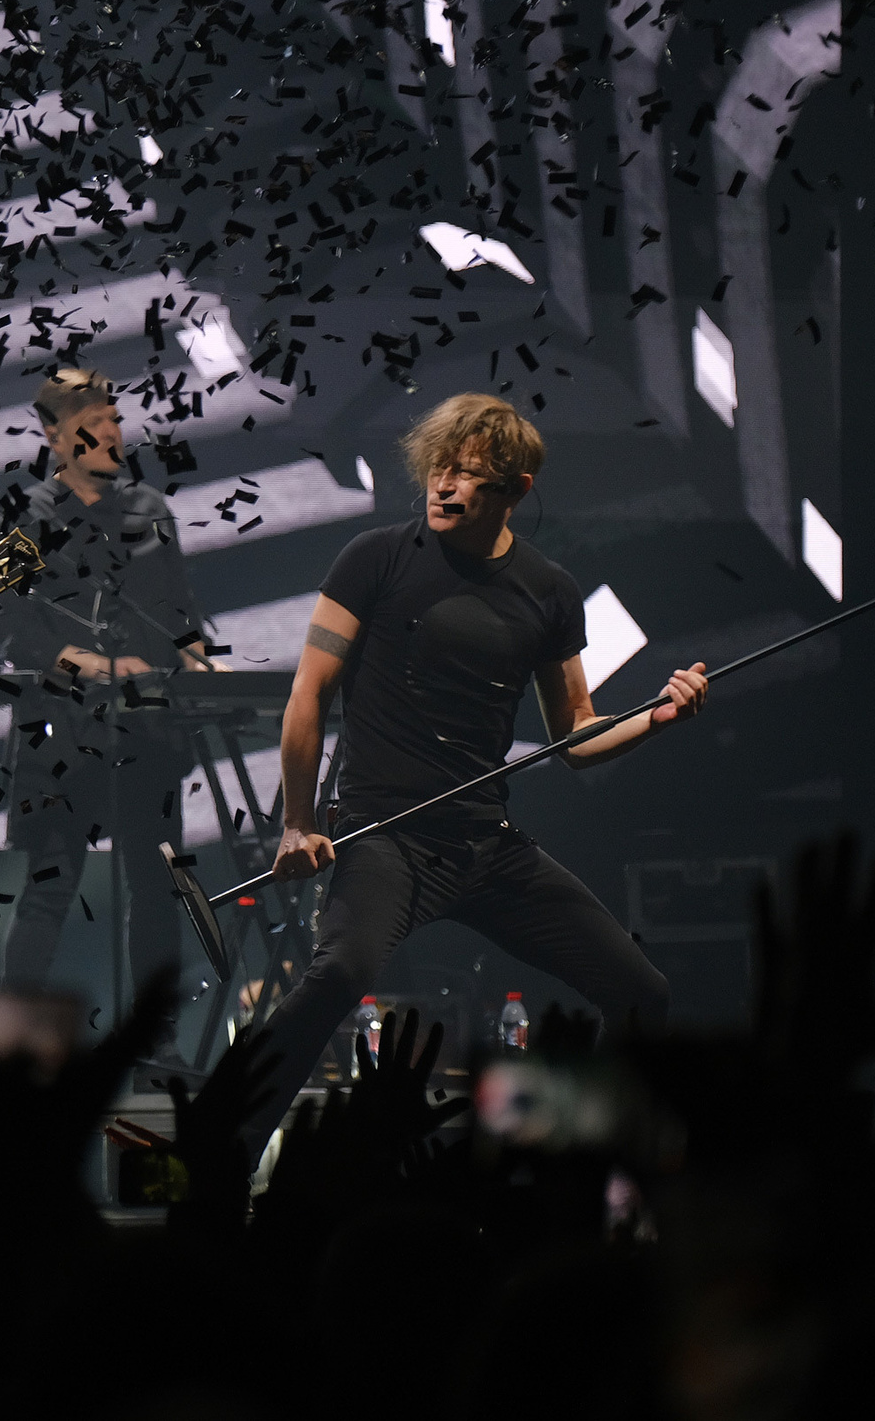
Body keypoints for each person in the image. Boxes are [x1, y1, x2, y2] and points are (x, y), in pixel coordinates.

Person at [241, 391, 699, 1143]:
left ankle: (593, 1157)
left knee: (641, 991)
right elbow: (309, 692)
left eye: (468, 475)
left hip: (485, 844)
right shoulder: (377, 558)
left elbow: (576, 735)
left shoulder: (548, 591)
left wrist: (656, 717)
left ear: (516, 490)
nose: (444, 486)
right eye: (439, 469)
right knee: (337, 976)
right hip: (384, 834)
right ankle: (223, 1150)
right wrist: (296, 821)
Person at [0, 367, 223, 1064]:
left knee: (156, 889)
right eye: (92, 421)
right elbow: (13, 630)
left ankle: (158, 1043)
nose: (111, 432)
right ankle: (13, 1043)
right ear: (54, 437)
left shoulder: (150, 507)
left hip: (147, 727)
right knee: (49, 890)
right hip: (63, 733)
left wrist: (200, 659)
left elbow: (181, 612)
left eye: (115, 418)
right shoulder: (30, 519)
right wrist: (91, 666)